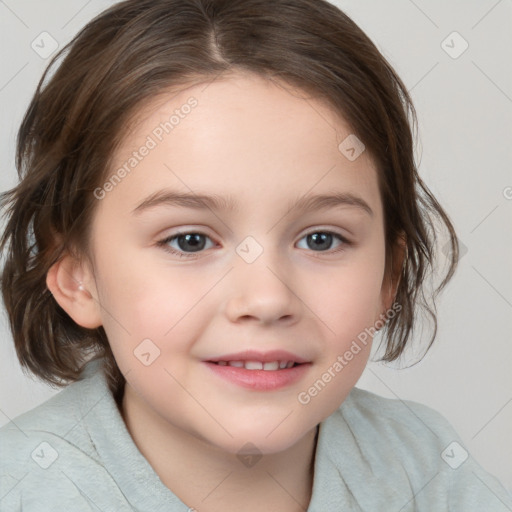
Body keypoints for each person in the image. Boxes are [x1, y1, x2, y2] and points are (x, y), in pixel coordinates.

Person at [0, 0, 510, 510]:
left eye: (321, 239)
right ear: (74, 275)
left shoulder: (426, 469)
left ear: (387, 279)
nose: (266, 299)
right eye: (190, 240)